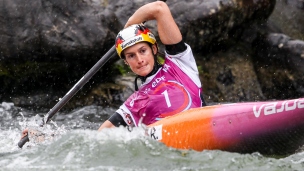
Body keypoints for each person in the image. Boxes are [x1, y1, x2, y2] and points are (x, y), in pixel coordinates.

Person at [98, 1, 206, 131]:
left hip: (202, 130)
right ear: (126, 61)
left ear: (154, 49)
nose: (139, 60)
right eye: (131, 56)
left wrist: (129, 25)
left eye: (143, 51)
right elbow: (101, 134)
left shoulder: (179, 63)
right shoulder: (133, 103)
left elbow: (159, 8)